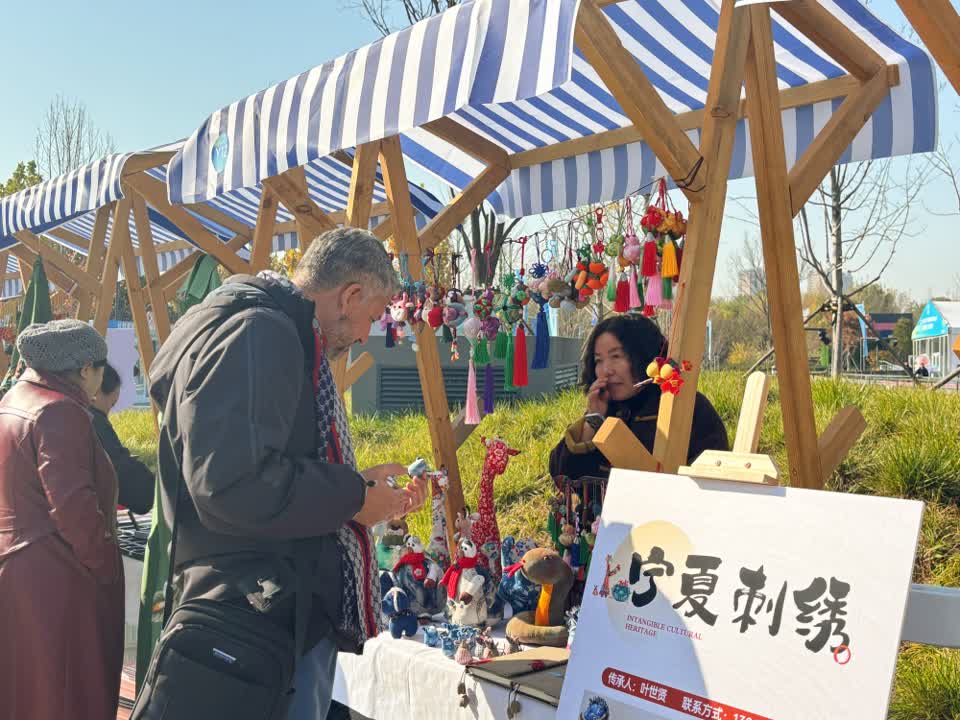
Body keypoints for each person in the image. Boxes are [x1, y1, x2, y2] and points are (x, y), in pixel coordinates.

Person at [146, 227, 428, 720]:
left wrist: (355, 487)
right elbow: (233, 484)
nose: (365, 334)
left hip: (247, 606)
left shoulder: (246, 325)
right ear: (350, 296)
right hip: (259, 616)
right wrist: (352, 497)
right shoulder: (261, 333)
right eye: (372, 315)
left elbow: (250, 462)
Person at [0, 320, 124, 720]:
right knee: (66, 696)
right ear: (86, 369)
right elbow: (74, 508)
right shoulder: (58, 411)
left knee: (27, 696)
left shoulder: (14, 399)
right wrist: (106, 564)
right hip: (57, 580)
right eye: (101, 370)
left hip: (19, 571)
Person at [549, 314, 728, 482]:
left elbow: (712, 480)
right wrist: (592, 420)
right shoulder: (603, 408)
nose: (606, 370)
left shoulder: (689, 407)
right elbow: (563, 477)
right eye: (598, 360)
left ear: (645, 357)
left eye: (616, 356)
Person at [91, 363, 155, 515]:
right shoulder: (94, 421)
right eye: (111, 404)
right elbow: (136, 489)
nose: (108, 413)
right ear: (96, 392)